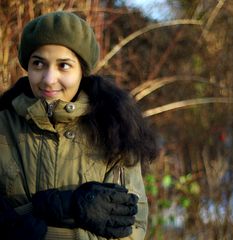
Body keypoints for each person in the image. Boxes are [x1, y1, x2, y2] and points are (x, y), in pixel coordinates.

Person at [0, 11, 158, 240]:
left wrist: (46, 221)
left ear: (81, 70)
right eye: (38, 64)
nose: (48, 79)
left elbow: (130, 229)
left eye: (64, 65)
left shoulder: (112, 131)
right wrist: (62, 207)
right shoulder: (3, 126)